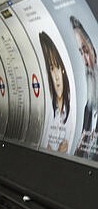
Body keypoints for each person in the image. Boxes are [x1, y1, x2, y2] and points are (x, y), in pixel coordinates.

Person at [39, 31, 71, 153]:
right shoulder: (49, 114)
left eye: (58, 67)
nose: (57, 76)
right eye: (52, 69)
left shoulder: (71, 116)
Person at [71, 16, 98, 159]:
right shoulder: (88, 109)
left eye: (86, 51)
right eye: (81, 53)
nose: (85, 62)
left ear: (94, 51)